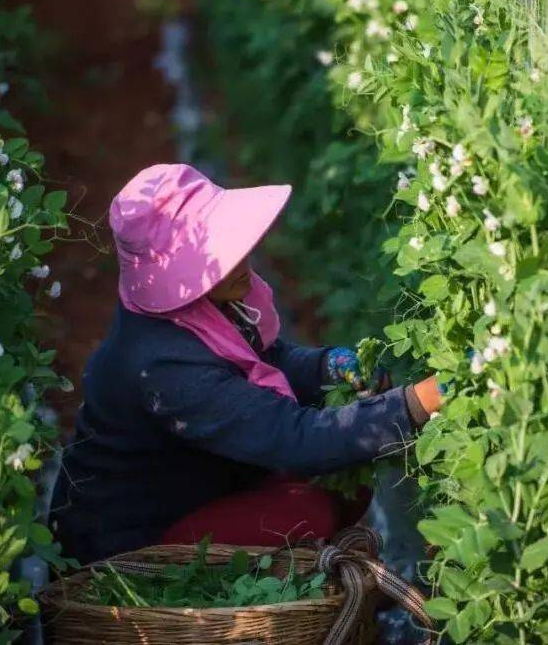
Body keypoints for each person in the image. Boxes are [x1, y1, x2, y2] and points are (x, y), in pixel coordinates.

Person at [49, 164, 444, 564]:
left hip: (198, 485)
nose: (241, 256)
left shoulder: (194, 308)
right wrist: (417, 402)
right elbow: (291, 438)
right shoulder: (165, 369)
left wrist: (327, 366)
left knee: (344, 481)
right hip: (125, 544)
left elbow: (263, 360)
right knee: (308, 512)